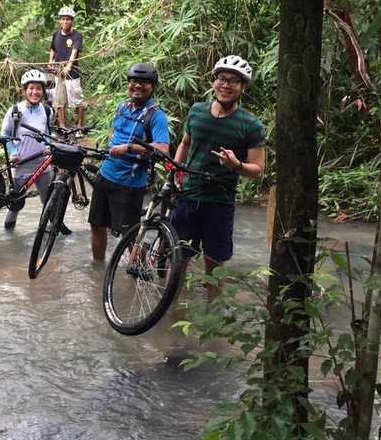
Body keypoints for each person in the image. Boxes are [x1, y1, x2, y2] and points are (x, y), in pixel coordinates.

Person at [171, 55, 266, 302]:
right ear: (214, 82)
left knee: (214, 264)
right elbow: (184, 144)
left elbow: (257, 169)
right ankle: (170, 313)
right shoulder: (197, 111)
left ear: (242, 87)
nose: (226, 85)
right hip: (189, 197)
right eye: (222, 79)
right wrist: (177, 170)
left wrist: (236, 165)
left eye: (233, 81)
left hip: (220, 202)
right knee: (179, 258)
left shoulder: (250, 125)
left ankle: (213, 322)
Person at [89, 63, 170, 261]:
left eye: (144, 83)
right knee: (97, 224)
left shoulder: (156, 116)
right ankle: (98, 268)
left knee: (130, 235)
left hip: (129, 183)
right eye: (134, 81)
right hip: (106, 174)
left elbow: (163, 148)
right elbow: (114, 131)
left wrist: (129, 148)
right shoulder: (123, 106)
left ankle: (140, 273)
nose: (137, 86)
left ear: (152, 87)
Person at [0, 69, 71, 235]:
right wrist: (13, 152)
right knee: (15, 204)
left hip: (42, 165)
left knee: (48, 202)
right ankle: (8, 236)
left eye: (38, 89)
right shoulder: (15, 110)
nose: (35, 92)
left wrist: (47, 147)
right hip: (21, 165)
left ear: (43, 91)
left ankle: (57, 231)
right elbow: (5, 134)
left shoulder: (47, 111)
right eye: (31, 88)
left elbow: (46, 133)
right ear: (25, 90)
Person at [48, 6, 85, 129]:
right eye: (63, 19)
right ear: (60, 20)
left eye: (68, 19)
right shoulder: (56, 34)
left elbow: (74, 51)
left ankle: (79, 126)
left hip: (72, 73)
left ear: (72, 21)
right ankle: (62, 126)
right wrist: (51, 60)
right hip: (59, 73)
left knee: (76, 100)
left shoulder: (76, 35)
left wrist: (69, 66)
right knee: (59, 100)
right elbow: (53, 48)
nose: (65, 22)